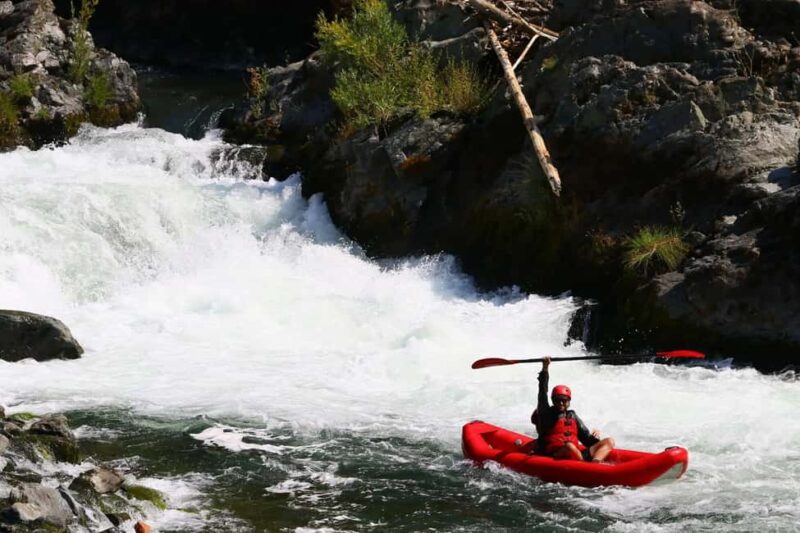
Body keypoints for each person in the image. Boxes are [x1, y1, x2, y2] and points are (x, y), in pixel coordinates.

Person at [531, 356, 615, 462]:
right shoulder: (547, 414)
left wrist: (596, 438)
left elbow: (587, 440)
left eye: (564, 400)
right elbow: (542, 392)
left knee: (609, 441)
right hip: (556, 454)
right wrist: (545, 368)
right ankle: (586, 468)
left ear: (569, 401)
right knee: (569, 447)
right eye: (558, 400)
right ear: (553, 401)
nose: (561, 403)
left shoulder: (573, 416)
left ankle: (596, 463)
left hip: (576, 455)